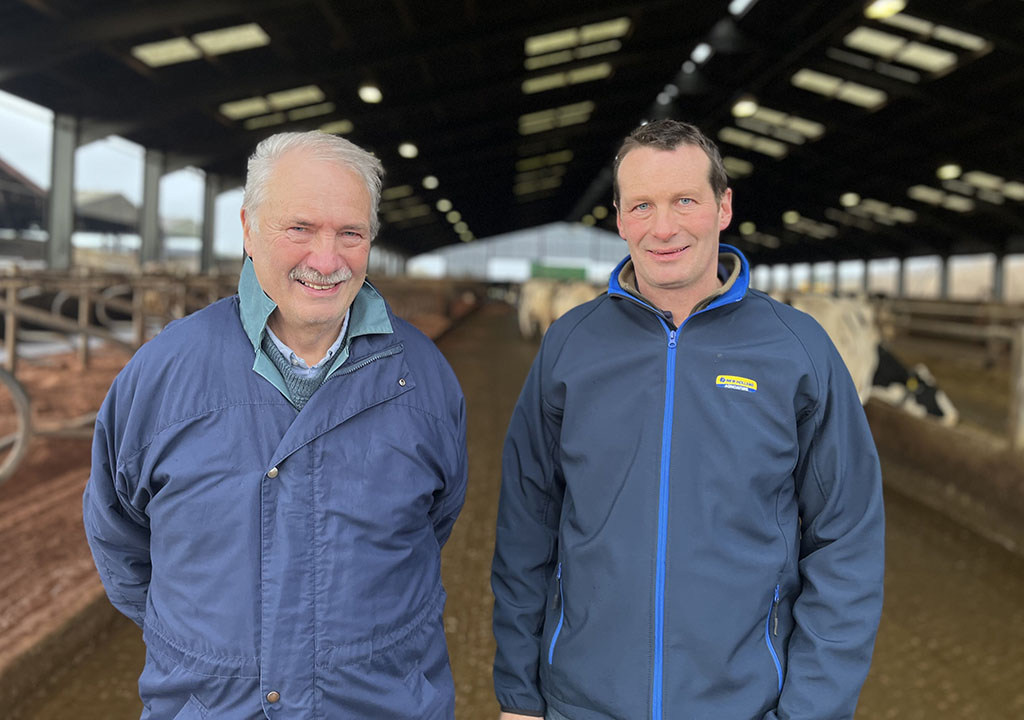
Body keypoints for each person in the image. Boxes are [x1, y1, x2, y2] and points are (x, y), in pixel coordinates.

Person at [491, 119, 884, 720]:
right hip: (582, 702)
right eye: (642, 205)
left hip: (745, 705)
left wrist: (813, 709)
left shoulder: (797, 350)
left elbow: (846, 539)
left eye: (685, 201)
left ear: (723, 207)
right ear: (620, 219)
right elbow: (526, 526)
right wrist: (519, 695)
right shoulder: (570, 345)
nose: (664, 227)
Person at [84, 131, 468, 719]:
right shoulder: (163, 374)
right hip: (212, 705)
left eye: (350, 233)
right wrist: (206, 649)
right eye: (300, 228)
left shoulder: (424, 379)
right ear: (247, 228)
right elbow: (120, 536)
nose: (326, 259)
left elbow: (434, 521)